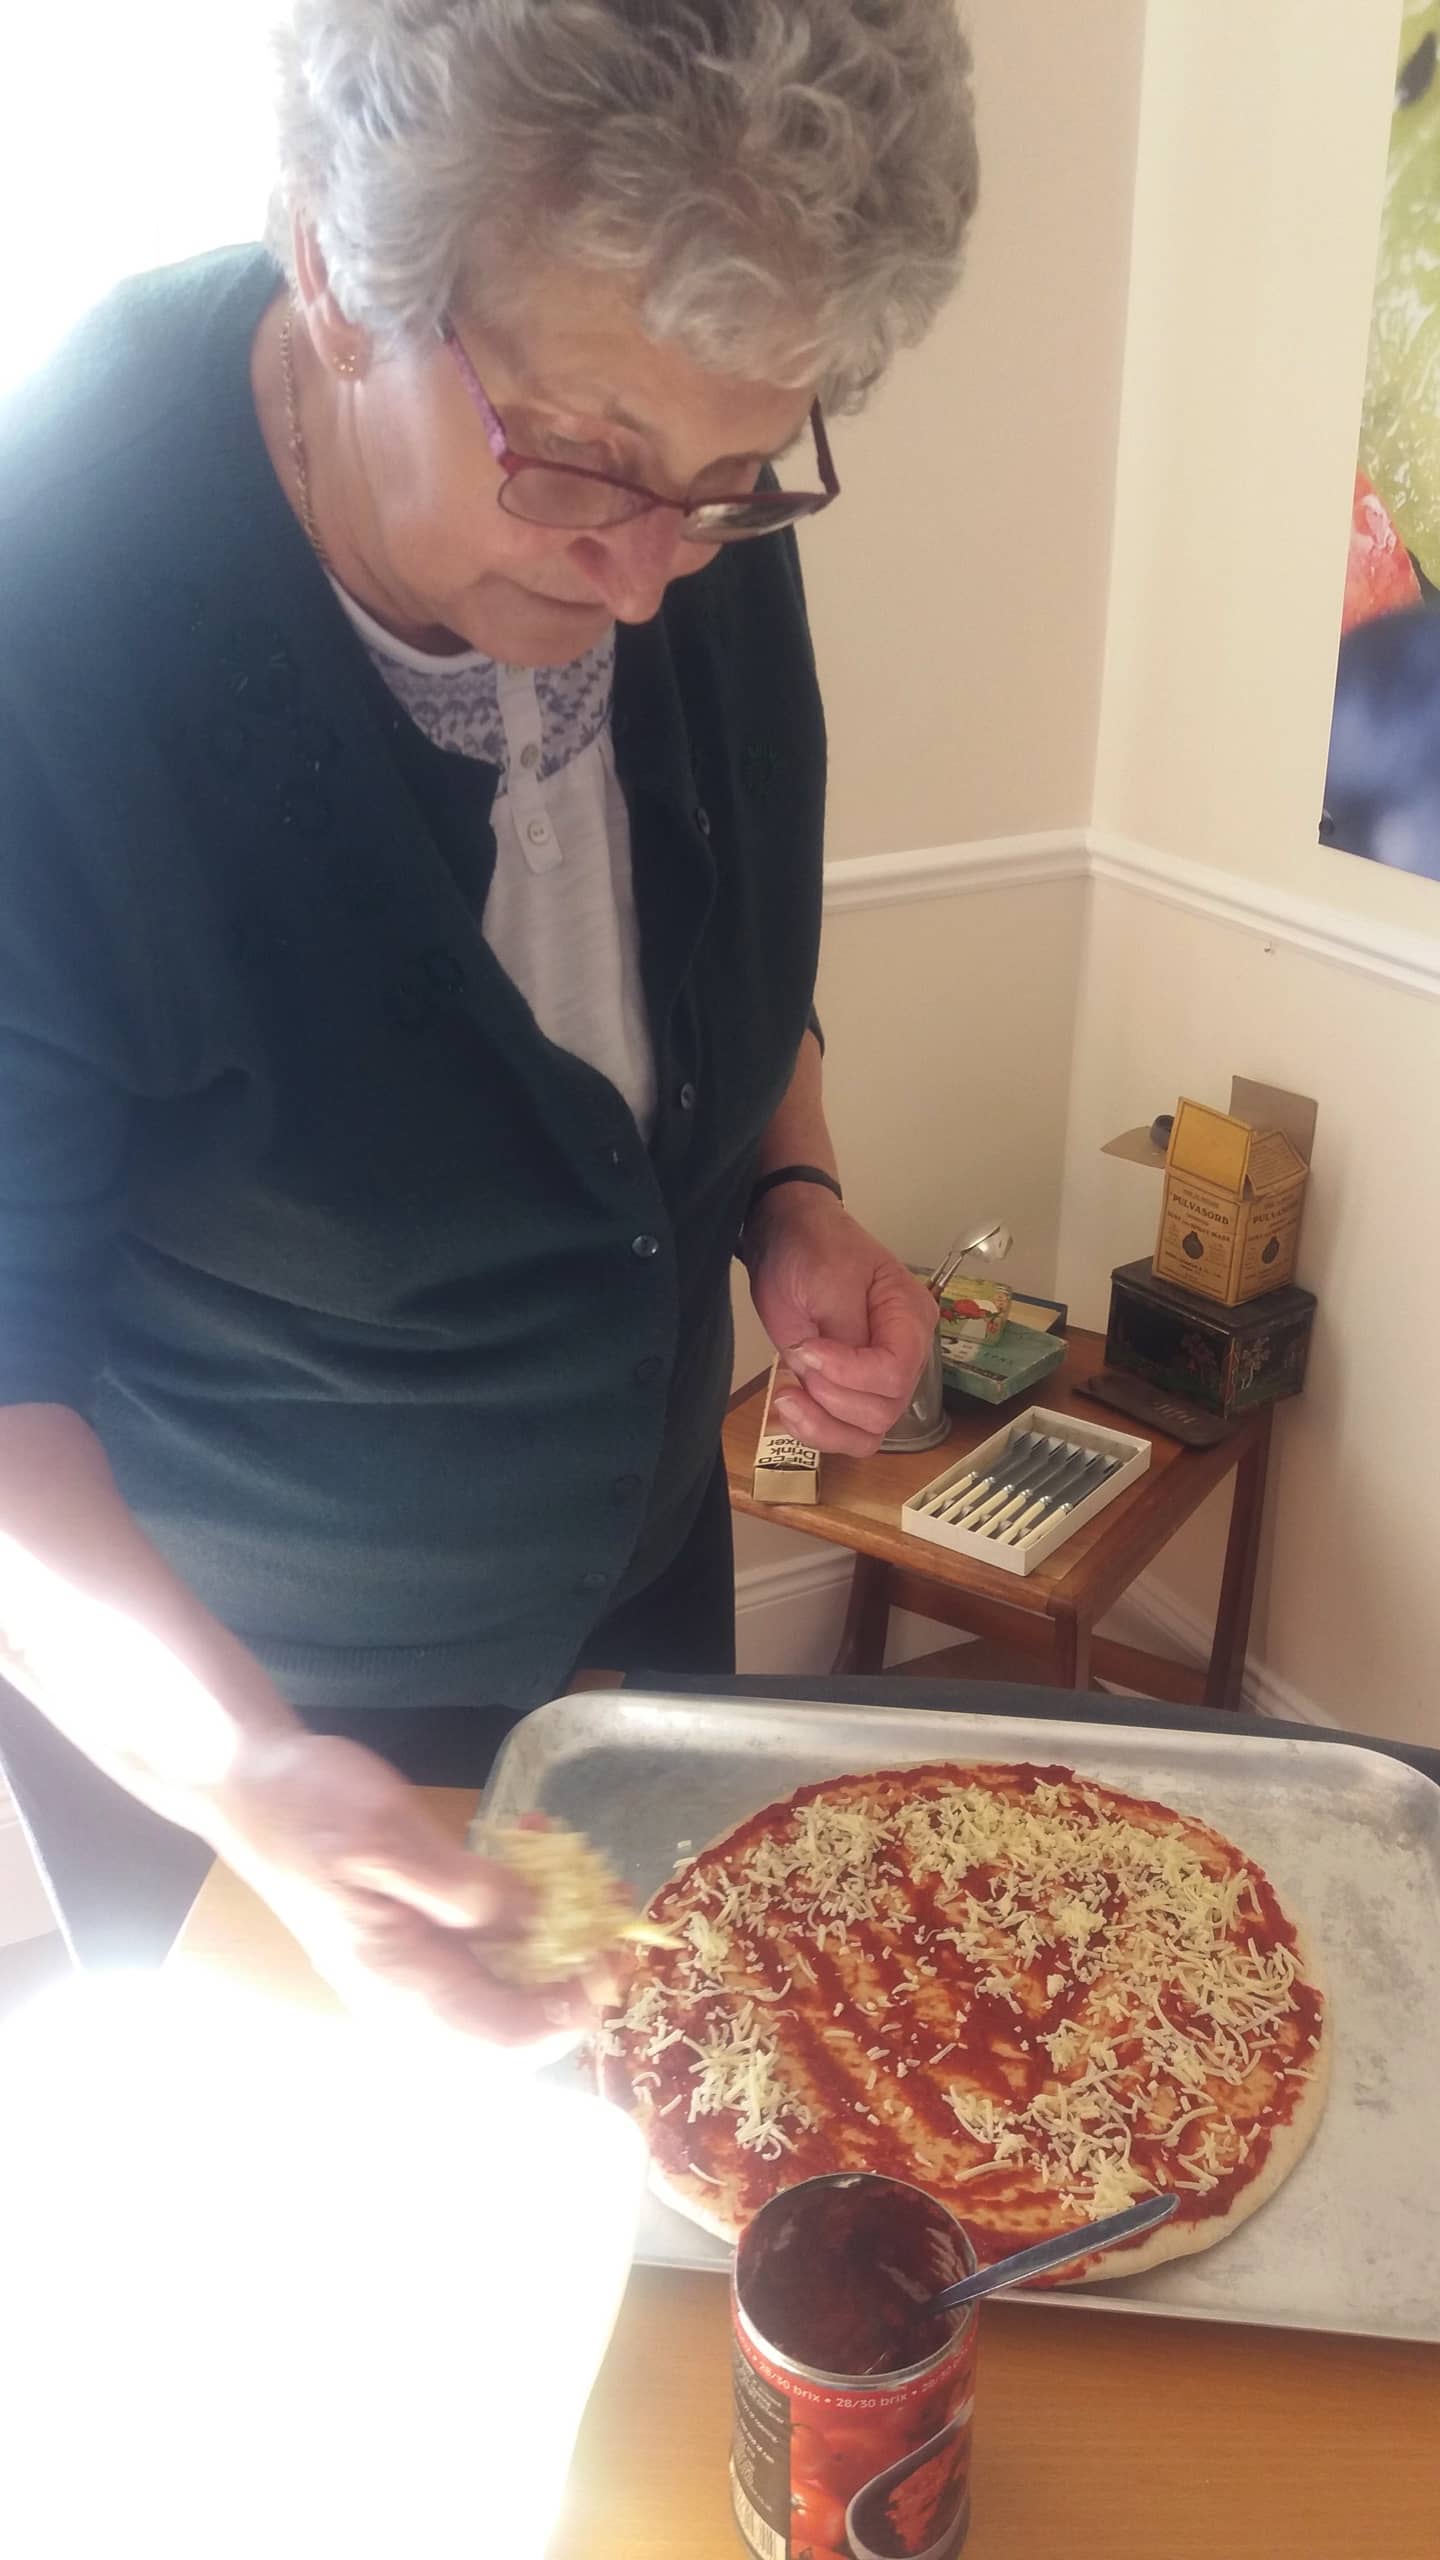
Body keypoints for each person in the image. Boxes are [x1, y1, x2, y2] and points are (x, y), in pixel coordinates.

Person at [0, 0, 978, 2035]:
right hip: (250, 1711)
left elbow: (716, 969)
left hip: (638, 1576)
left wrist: (789, 1186)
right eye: (583, 469)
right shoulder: (52, 618)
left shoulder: (679, 505)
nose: (647, 578)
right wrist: (251, 1781)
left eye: (728, 483)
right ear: (335, 274)